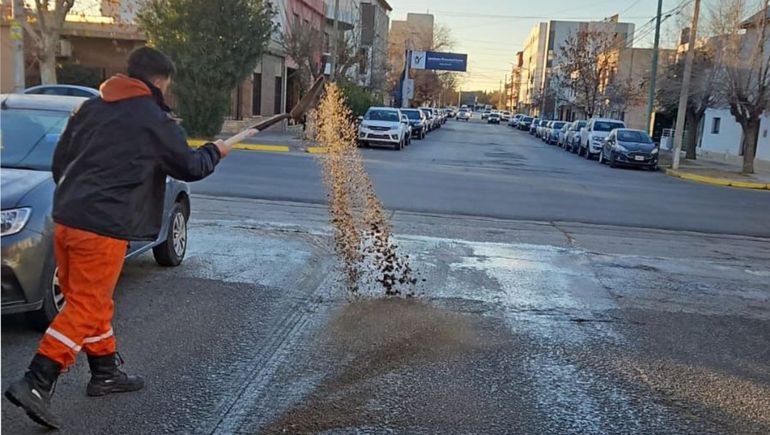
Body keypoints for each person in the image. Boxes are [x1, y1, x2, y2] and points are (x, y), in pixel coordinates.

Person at [4, 46, 234, 430]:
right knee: (87, 306)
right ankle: (36, 381)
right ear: (159, 81)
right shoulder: (154, 120)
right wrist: (216, 151)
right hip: (103, 227)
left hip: (66, 218)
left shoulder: (89, 109)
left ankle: (105, 371)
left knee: (89, 301)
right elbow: (190, 167)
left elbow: (61, 162)